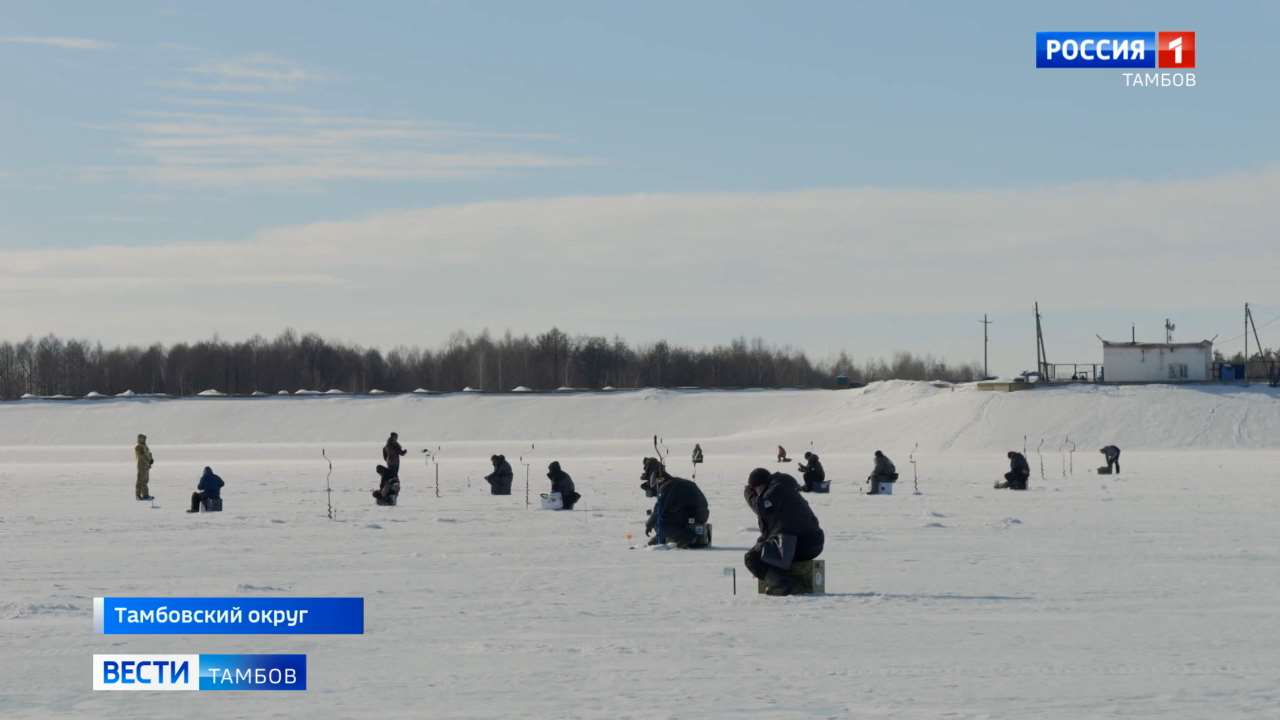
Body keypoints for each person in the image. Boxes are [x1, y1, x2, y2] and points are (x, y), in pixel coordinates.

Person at [743, 468, 825, 596]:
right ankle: (790, 583)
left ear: (760, 485)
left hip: (799, 543)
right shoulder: (784, 488)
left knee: (752, 558)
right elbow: (769, 532)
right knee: (762, 553)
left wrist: (748, 495)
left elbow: (761, 507)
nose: (756, 493)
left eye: (756, 490)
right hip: (811, 542)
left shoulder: (776, 490)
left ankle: (783, 585)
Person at [644, 461, 710, 547]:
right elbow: (660, 507)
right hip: (700, 514)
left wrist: (650, 524)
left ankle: (687, 537)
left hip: (693, 515)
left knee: (662, 524)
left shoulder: (668, 487)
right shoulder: (675, 483)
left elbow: (660, 510)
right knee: (663, 520)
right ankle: (665, 537)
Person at [134, 434, 154, 501]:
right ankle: (138, 495)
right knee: (140, 480)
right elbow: (141, 456)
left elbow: (148, 453)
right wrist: (147, 460)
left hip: (146, 465)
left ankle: (145, 494)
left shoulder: (145, 446)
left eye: (145, 438)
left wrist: (151, 459)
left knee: (145, 480)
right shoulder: (138, 447)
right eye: (143, 438)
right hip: (142, 465)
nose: (144, 439)